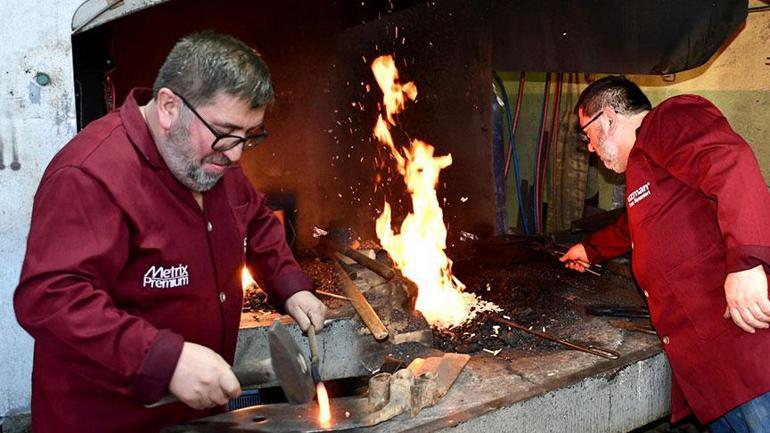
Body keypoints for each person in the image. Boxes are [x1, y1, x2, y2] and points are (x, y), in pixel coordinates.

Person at [14, 31, 326, 433]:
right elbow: (50, 298)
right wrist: (164, 360)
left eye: (249, 136)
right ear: (168, 106)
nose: (235, 154)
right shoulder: (89, 176)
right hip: (107, 420)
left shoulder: (210, 157)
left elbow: (255, 216)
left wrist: (288, 282)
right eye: (226, 132)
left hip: (198, 417)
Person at [560, 75, 770, 432]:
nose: (590, 148)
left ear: (608, 119)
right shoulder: (644, 171)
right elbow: (635, 226)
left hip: (745, 354)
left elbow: (729, 163)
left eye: (588, 135)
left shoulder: (669, 119)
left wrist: (747, 263)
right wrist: (590, 249)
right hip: (712, 370)